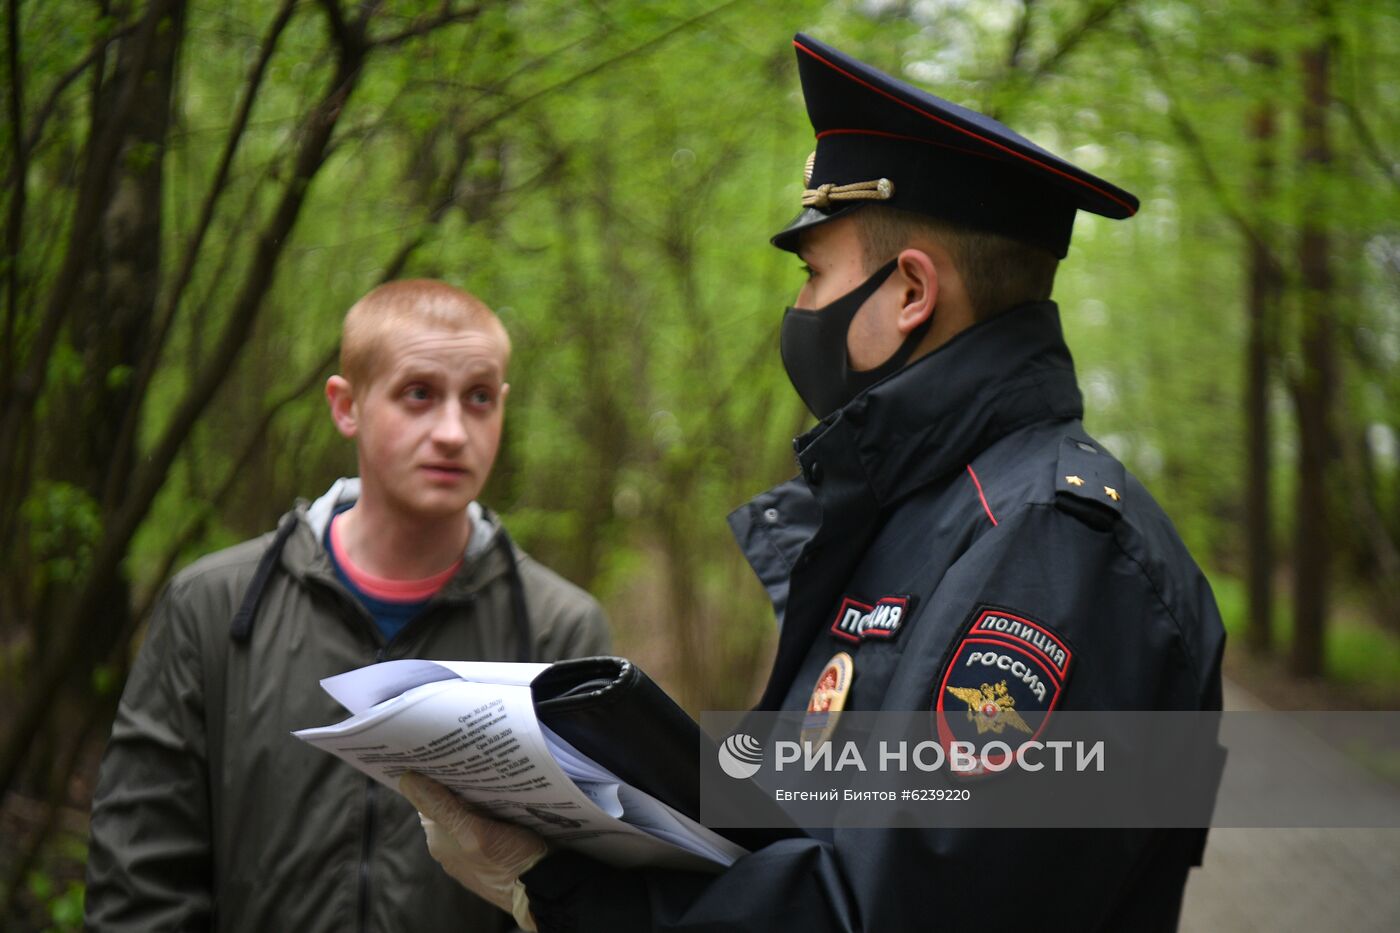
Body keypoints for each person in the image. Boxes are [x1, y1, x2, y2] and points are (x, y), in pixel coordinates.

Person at [399, 34, 1226, 933]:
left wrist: (559, 889)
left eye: (814, 275)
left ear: (911, 291)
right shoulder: (923, 510)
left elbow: (896, 911)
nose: (800, 312)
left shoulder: (1054, 549)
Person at [84, 279, 612, 932]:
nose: (452, 431)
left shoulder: (561, 627)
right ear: (346, 405)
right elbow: (141, 879)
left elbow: (592, 892)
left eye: (478, 398)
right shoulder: (212, 607)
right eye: (418, 394)